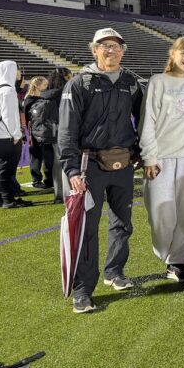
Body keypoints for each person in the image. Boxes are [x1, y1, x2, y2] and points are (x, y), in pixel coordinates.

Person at [58, 28, 143, 313]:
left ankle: (114, 271)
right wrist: (71, 169)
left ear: (123, 50)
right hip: (88, 164)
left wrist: (141, 153)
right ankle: (83, 290)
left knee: (122, 222)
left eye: (116, 46)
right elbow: (67, 130)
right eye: (104, 46)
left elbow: (144, 121)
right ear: (94, 50)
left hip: (123, 163)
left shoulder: (131, 82)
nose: (111, 51)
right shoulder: (80, 83)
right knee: (87, 229)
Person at [139, 37, 184, 284]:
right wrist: (149, 157)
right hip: (161, 157)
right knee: (160, 212)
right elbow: (148, 121)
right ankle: (164, 251)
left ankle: (178, 262)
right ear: (173, 53)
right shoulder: (157, 82)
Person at [0, 61, 31, 208]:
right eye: (17, 69)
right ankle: (7, 200)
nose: (19, 73)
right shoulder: (8, 91)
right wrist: (17, 135)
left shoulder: (0, 89)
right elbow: (9, 117)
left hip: (2, 135)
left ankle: (5, 198)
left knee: (3, 169)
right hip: (7, 137)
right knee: (6, 170)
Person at [45, 68, 73, 202]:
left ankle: (59, 194)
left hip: (51, 130)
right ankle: (68, 194)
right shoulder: (65, 91)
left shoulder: (46, 93)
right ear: (66, 77)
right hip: (65, 129)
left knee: (57, 162)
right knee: (68, 160)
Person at [24, 76, 54, 190]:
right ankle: (36, 180)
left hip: (45, 130)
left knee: (47, 155)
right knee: (36, 156)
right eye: (45, 85)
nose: (47, 87)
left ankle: (48, 179)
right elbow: (27, 118)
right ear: (38, 86)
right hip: (34, 131)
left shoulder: (42, 98)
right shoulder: (30, 99)